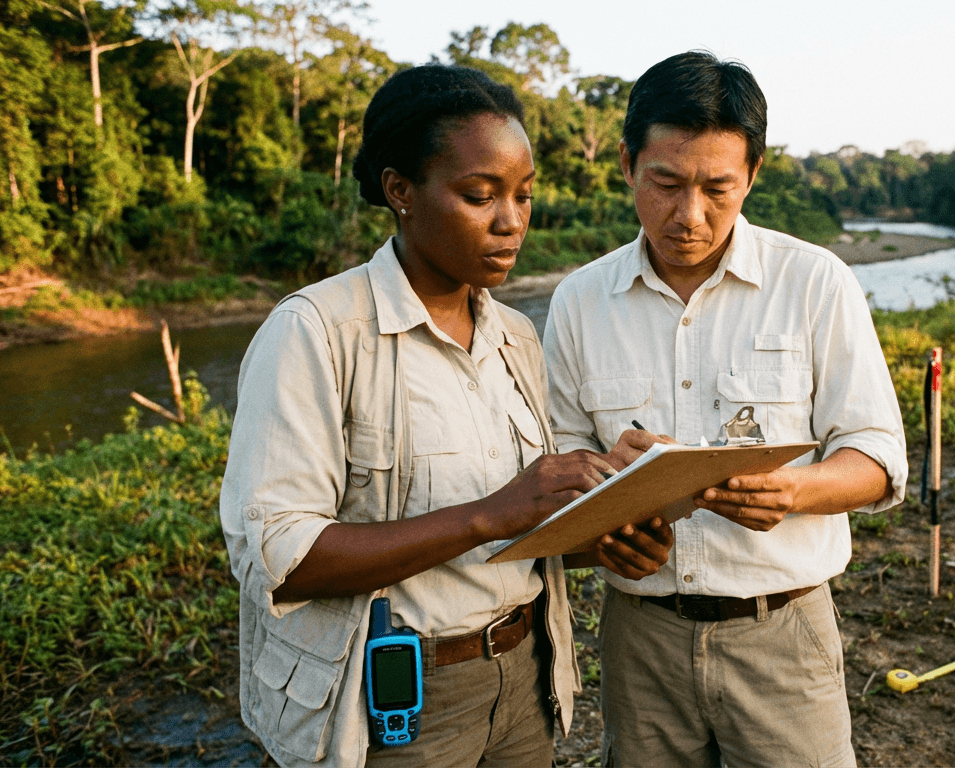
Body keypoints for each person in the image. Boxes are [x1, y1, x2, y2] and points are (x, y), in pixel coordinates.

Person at [219, 64, 672, 768]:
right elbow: (279, 556)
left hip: (526, 681)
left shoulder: (517, 336)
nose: (512, 220)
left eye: (523, 196)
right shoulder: (317, 332)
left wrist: (608, 527)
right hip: (396, 699)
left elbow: (525, 528)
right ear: (400, 190)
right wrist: (486, 513)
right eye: (479, 195)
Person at [543, 51, 908, 767]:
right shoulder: (579, 301)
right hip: (639, 637)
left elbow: (876, 455)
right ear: (626, 164)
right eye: (667, 183)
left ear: (754, 176)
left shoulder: (814, 283)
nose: (690, 215)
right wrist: (603, 519)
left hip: (783, 633)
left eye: (719, 188)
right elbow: (558, 463)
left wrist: (793, 490)